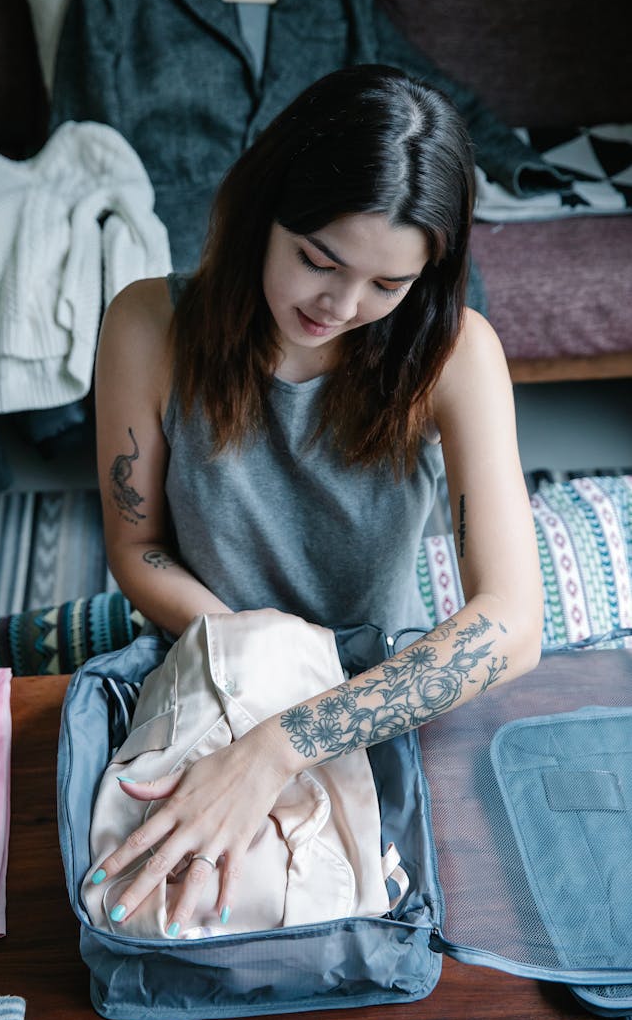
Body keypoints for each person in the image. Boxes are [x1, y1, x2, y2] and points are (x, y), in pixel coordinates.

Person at [92, 64, 543, 937]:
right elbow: (135, 542)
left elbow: (513, 621)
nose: (341, 306)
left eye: (389, 286)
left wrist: (288, 739)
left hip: (380, 695)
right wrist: (256, 683)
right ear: (265, 209)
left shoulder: (454, 355)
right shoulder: (148, 324)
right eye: (318, 260)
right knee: (164, 912)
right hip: (211, 667)